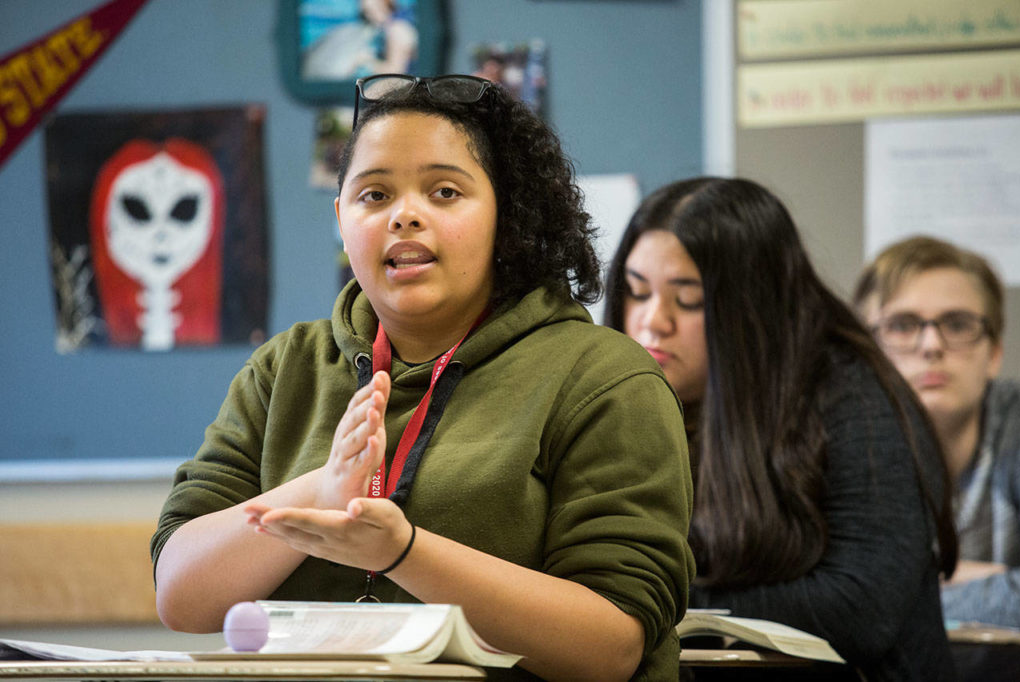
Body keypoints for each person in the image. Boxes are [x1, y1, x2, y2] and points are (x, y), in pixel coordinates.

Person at [150, 74, 694, 682]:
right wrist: (321, 492)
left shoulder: (603, 377)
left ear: (504, 214)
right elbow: (180, 595)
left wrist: (402, 553)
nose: (404, 216)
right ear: (341, 218)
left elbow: (610, 647)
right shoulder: (283, 369)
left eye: (443, 192)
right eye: (374, 196)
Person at [604, 177, 958, 681]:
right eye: (636, 292)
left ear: (753, 309)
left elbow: (860, 610)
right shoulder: (625, 401)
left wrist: (649, 601)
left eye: (688, 301)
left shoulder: (852, 396)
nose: (651, 322)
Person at [854, 235, 1020, 629]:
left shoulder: (1017, 422)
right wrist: (996, 581)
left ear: (994, 353)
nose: (931, 345)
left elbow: (864, 605)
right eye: (902, 325)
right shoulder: (833, 441)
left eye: (958, 324)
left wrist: (910, 592)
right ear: (867, 351)